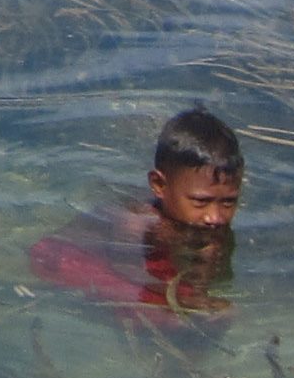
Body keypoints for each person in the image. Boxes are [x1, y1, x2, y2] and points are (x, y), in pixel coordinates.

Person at [27, 107, 245, 318]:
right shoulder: (136, 221)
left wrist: (201, 291)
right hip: (61, 257)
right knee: (158, 309)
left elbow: (207, 273)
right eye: (200, 201)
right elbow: (127, 274)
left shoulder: (205, 222)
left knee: (199, 305)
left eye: (228, 202)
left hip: (141, 262)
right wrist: (186, 301)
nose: (215, 217)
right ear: (159, 185)